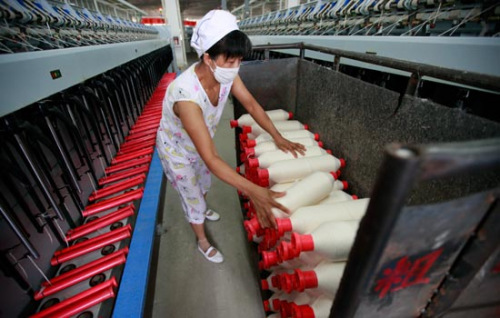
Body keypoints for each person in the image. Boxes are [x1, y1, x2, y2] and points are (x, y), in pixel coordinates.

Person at [156, 10, 305, 263]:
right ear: (208, 57)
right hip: (178, 152)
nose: (236, 67)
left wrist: (277, 137)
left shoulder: (226, 75)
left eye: (238, 60)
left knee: (202, 183)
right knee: (191, 192)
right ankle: (202, 240)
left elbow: (251, 104)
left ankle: (203, 207)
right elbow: (213, 159)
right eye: (230, 60)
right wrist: (254, 191)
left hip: (200, 145)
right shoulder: (186, 96)